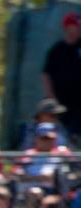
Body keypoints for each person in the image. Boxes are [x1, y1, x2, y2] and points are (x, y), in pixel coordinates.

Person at [42, 11, 81, 141]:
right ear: (67, 28)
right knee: (65, 136)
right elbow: (46, 74)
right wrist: (51, 97)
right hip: (62, 105)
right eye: (76, 26)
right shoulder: (57, 50)